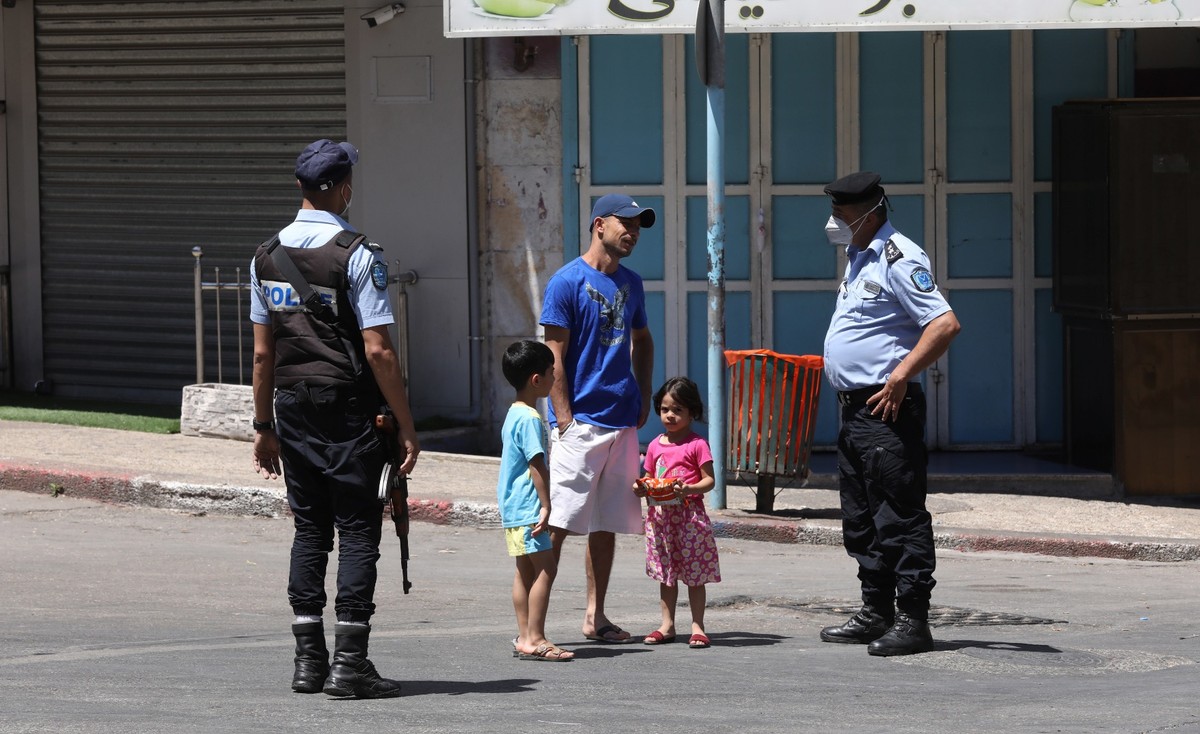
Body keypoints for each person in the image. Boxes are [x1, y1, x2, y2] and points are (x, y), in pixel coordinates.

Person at [249, 138, 420, 697]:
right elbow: (379, 350)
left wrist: (263, 427)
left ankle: (308, 663)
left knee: (309, 530)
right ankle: (350, 666)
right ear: (344, 187)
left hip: (292, 409)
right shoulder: (359, 255)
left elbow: (262, 355)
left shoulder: (265, 255)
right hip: (349, 409)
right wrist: (407, 424)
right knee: (356, 530)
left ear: (301, 187)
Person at [819, 171, 961, 657]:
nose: (834, 222)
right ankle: (875, 610)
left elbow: (943, 324)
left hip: (885, 409)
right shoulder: (858, 258)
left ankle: (913, 620)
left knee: (898, 515)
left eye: (841, 214)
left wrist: (901, 374)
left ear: (870, 211)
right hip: (854, 411)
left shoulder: (900, 257)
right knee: (860, 519)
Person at [539, 193, 656, 644]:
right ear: (599, 225)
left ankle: (596, 617)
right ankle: (535, 626)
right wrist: (564, 419)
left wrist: (643, 393)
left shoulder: (632, 283)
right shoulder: (566, 282)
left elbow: (642, 340)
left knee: (606, 524)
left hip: (621, 421)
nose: (633, 232)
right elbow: (554, 356)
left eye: (639, 226)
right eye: (625, 223)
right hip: (581, 423)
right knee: (559, 524)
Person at [497, 340, 575, 662]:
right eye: (551, 372)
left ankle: (525, 636)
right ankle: (536, 637)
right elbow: (536, 464)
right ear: (536, 380)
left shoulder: (513, 413)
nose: (554, 377)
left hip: (512, 506)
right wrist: (546, 505)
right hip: (529, 506)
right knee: (547, 568)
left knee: (523, 572)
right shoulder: (529, 418)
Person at [633, 376, 720, 650]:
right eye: (665, 409)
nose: (670, 415)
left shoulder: (697, 444)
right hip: (660, 520)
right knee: (666, 574)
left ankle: (698, 626)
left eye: (678, 410)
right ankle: (667, 625)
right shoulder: (656, 444)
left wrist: (688, 488)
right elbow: (647, 477)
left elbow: (710, 481)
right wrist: (641, 488)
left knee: (695, 575)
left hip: (689, 518)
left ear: (692, 412)